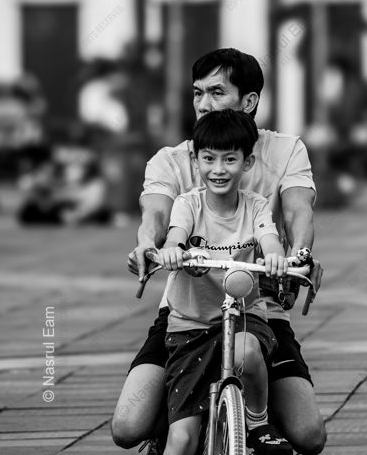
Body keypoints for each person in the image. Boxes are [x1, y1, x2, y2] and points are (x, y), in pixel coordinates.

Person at [113, 48, 326, 455]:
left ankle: (255, 418)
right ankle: (177, 418)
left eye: (216, 92)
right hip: (188, 315)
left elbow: (299, 208)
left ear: (249, 102)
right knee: (127, 427)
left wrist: (297, 254)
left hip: (258, 306)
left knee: (309, 435)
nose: (203, 104)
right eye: (197, 93)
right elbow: (155, 214)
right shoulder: (173, 159)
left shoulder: (284, 150)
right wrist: (148, 245)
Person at [155, 110, 291, 454]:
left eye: (230, 159)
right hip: (191, 325)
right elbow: (175, 235)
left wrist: (274, 256)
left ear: (247, 163)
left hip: (244, 317)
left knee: (246, 350)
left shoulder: (256, 206)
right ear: (195, 160)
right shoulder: (188, 205)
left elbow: (269, 237)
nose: (218, 169)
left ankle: (258, 422)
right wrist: (172, 251)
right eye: (209, 158)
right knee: (181, 439)